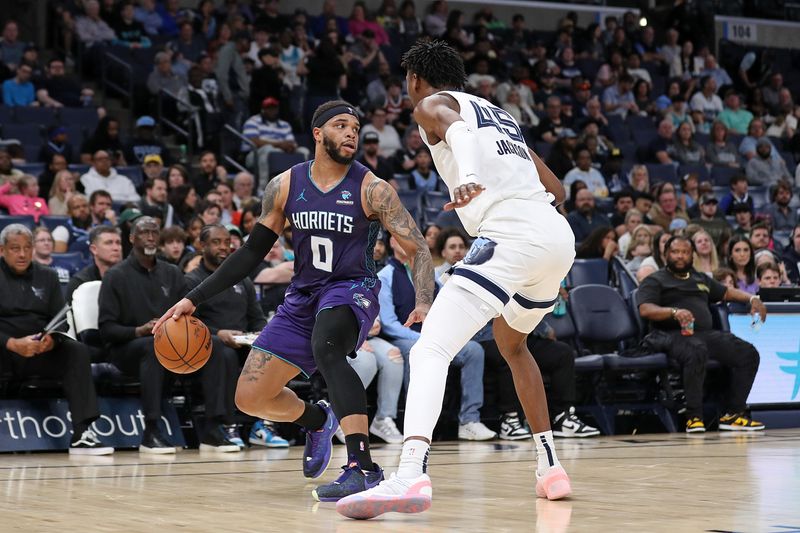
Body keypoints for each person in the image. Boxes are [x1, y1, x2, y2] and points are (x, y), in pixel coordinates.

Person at [337, 41, 577, 519]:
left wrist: (466, 178)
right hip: (556, 239)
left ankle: (410, 474)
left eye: (407, 82)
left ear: (417, 80)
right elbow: (557, 187)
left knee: (430, 350)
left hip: (511, 235)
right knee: (513, 345)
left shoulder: (432, 105)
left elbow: (459, 132)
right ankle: (551, 468)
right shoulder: (500, 116)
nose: (409, 94)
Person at [154, 100, 435, 502]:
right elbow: (250, 254)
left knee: (327, 346)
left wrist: (424, 299)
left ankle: (364, 467)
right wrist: (192, 299)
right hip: (303, 295)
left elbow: (418, 247)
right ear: (318, 134)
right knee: (250, 398)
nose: (352, 133)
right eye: (341, 125)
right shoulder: (285, 185)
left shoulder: (372, 188)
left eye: (356, 127)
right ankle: (317, 419)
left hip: (351, 287)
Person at [99, 217, 241, 454]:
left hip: (171, 345)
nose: (152, 237)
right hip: (128, 348)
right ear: (132, 238)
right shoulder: (116, 276)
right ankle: (151, 431)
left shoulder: (173, 273)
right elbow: (106, 329)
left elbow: (191, 317)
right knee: (152, 347)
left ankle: (213, 428)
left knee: (215, 345)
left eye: (155, 233)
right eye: (145, 233)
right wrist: (140, 329)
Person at [0, 224, 113, 455]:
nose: (22, 254)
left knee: (77, 350)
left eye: (26, 248)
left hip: (38, 349)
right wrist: (12, 343)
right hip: (4, 348)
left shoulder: (48, 276)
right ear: (2, 251)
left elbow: (61, 318)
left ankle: (82, 433)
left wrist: (51, 340)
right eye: (15, 248)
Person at [637, 235, 766, 433]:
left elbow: (726, 293)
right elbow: (645, 309)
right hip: (669, 334)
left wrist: (752, 299)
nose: (680, 256)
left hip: (703, 334)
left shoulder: (700, 278)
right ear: (666, 255)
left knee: (748, 353)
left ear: (692, 255)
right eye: (675, 252)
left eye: (685, 252)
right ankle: (694, 417)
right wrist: (673, 312)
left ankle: (733, 414)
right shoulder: (655, 280)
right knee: (696, 350)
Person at [377, 234, 494, 441]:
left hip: (434, 334)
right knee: (417, 350)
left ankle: (469, 420)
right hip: (403, 338)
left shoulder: (428, 273)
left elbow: (444, 306)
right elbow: (388, 322)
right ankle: (414, 425)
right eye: (401, 238)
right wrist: (419, 336)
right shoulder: (386, 275)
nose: (407, 242)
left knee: (474, 350)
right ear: (393, 243)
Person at [186, 224, 269, 450]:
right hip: (207, 345)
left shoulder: (243, 280)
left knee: (277, 350)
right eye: (216, 242)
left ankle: (264, 423)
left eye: (227, 242)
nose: (224, 247)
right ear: (202, 246)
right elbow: (188, 323)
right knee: (223, 353)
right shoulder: (192, 281)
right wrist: (217, 333)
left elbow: (257, 317)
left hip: (243, 343)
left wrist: (261, 333)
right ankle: (218, 427)